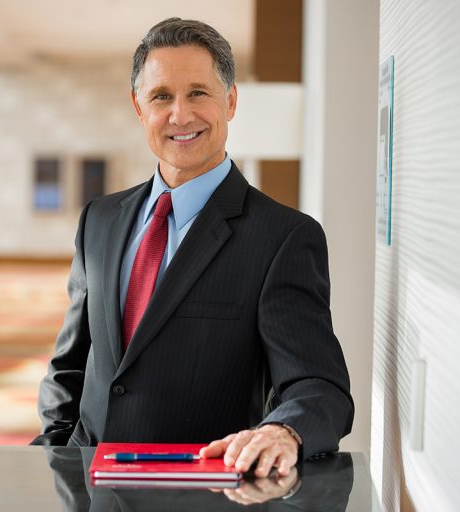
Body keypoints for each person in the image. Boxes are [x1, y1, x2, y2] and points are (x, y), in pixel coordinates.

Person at [32, 17, 353, 478]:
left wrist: (284, 431)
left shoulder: (283, 237)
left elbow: (318, 386)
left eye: (198, 92)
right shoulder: (98, 221)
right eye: (161, 96)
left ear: (231, 100)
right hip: (89, 486)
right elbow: (70, 367)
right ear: (139, 107)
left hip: (200, 489)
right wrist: (50, 461)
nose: (180, 115)